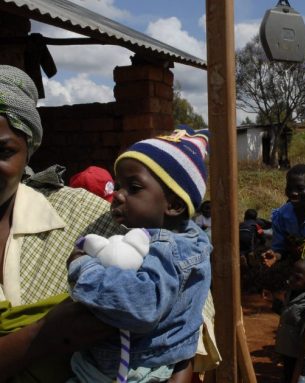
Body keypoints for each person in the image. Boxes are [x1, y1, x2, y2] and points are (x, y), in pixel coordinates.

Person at [0, 65, 125, 382]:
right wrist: (44, 335)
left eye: (3, 151)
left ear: (29, 150)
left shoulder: (84, 218)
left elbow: (182, 293)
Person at [66, 129, 213, 382]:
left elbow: (142, 306)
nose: (118, 195)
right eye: (119, 185)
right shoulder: (188, 240)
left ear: (174, 205)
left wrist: (83, 268)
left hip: (130, 369)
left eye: (133, 188)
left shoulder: (169, 249)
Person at [274, 258, 305, 383]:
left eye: (297, 278)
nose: (290, 279)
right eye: (291, 275)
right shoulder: (292, 291)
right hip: (289, 351)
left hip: (303, 356)